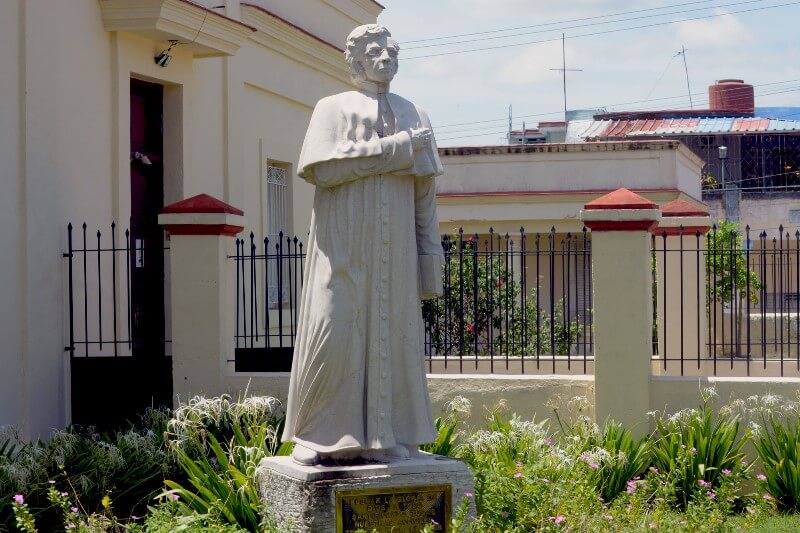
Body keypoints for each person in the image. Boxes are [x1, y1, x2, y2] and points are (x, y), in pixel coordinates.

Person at [282, 24, 444, 465]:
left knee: (398, 339)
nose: (386, 55)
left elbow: (424, 195)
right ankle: (316, 436)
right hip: (343, 246)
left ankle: (399, 437)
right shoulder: (331, 109)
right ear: (354, 60)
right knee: (333, 331)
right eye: (375, 49)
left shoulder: (417, 114)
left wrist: (431, 257)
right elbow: (322, 168)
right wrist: (397, 148)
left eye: (392, 47)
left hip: (398, 254)